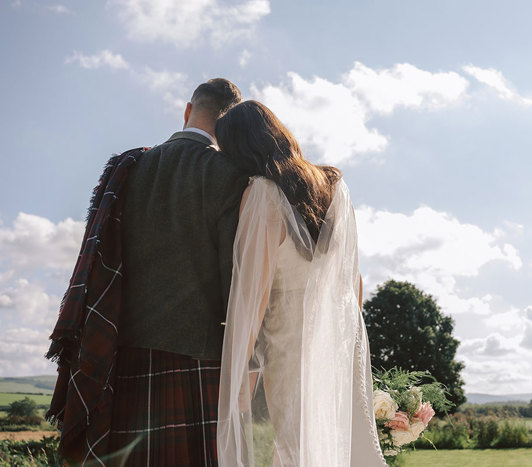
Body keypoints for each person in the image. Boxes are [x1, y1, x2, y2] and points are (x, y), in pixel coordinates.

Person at [46, 78, 249, 465]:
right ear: (230, 124)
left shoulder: (129, 166)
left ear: (188, 110)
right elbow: (233, 283)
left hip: (120, 359)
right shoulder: (230, 175)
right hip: (199, 360)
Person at [214, 101, 387, 467]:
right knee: (345, 443)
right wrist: (343, 337)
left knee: (298, 446)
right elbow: (353, 280)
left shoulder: (261, 195)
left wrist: (238, 375)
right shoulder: (334, 186)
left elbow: (254, 295)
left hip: (290, 342)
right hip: (342, 334)